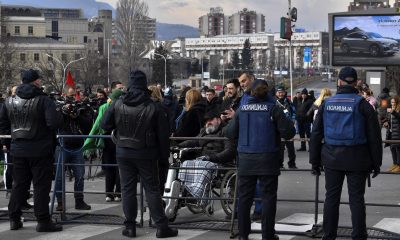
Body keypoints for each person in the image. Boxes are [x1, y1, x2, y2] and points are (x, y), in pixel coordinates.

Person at [101, 70, 178, 238]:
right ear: (144, 84)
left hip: (123, 151)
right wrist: (164, 159)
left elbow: (104, 124)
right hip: (146, 153)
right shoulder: (154, 106)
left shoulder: (118, 102)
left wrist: (118, 127)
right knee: (151, 190)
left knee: (128, 190)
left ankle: (130, 226)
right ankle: (161, 226)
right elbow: (163, 136)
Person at [309, 66, 382, 240]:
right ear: (356, 82)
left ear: (339, 82)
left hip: (332, 159)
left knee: (331, 199)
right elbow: (374, 136)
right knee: (357, 200)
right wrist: (376, 163)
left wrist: (314, 161)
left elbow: (316, 134)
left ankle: (329, 236)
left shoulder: (327, 103)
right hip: (358, 160)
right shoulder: (363, 104)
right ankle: (358, 236)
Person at [225, 79, 296, 240]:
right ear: (267, 92)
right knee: (268, 199)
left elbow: (229, 133)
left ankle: (243, 235)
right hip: (268, 159)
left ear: (251, 92)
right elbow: (289, 133)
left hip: (246, 160)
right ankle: (267, 235)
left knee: (244, 198)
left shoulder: (242, 110)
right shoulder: (274, 109)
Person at [0, 69, 63, 232]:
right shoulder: (44, 100)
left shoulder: (9, 100)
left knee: (19, 185)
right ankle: (43, 221)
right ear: (36, 82)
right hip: (41, 150)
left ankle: (14, 219)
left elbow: (3, 124)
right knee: (41, 186)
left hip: (18, 149)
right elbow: (54, 123)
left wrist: (11, 140)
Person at [177, 107, 236, 205]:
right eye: (207, 121)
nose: (208, 122)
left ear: (218, 119)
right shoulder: (204, 131)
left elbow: (229, 151)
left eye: (211, 120)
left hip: (219, 162)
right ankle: (190, 192)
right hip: (203, 159)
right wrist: (178, 145)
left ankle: (197, 194)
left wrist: (213, 158)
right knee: (186, 163)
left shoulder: (226, 131)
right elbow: (193, 141)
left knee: (204, 166)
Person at [83, 81, 125, 202]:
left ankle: (115, 193)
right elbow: (97, 125)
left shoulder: (116, 106)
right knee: (111, 167)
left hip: (115, 140)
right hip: (110, 141)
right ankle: (112, 193)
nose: (122, 90)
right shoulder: (104, 107)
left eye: (122, 88)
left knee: (115, 167)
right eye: (120, 88)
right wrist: (91, 141)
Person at [55, 87, 93, 211]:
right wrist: (63, 112)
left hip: (77, 145)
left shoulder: (81, 106)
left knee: (80, 175)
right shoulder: (58, 106)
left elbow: (88, 125)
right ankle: (60, 202)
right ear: (64, 95)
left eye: (74, 95)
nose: (72, 99)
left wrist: (77, 115)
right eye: (69, 96)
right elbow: (54, 123)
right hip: (62, 145)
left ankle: (79, 200)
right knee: (59, 176)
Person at [275, 86, 297, 169]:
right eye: (279, 92)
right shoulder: (274, 102)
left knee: (291, 148)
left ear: (284, 93)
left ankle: (292, 164)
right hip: (278, 128)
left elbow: (294, 111)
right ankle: (280, 164)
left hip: (288, 128)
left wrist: (293, 119)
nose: (281, 94)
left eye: (282, 92)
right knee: (280, 148)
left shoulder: (288, 101)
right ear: (276, 93)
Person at [384, 96, 400, 173]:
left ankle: (399, 165)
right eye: (391, 102)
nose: (392, 104)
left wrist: (394, 112)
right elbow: (389, 120)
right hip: (391, 132)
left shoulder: (398, 110)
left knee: (398, 149)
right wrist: (386, 123)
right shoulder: (391, 110)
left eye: (393, 102)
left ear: (397, 103)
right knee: (392, 148)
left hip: (397, 132)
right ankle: (395, 164)